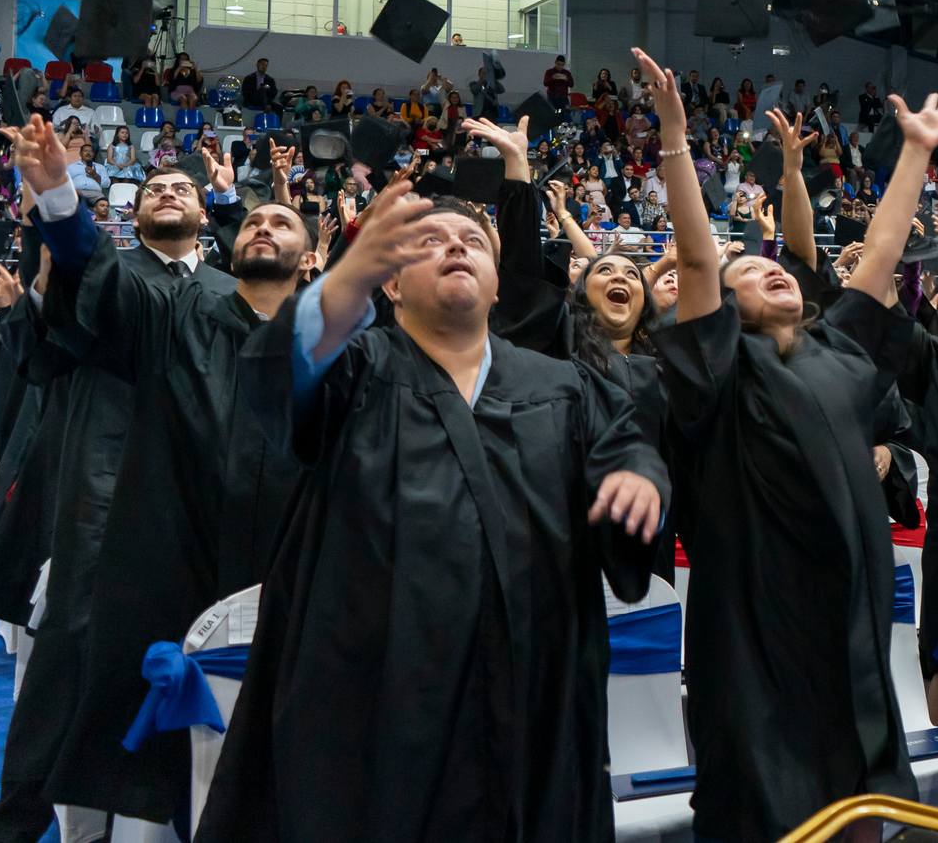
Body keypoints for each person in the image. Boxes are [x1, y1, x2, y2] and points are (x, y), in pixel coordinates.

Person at [198, 178, 668, 843]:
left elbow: (628, 451)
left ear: (498, 285)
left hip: (529, 699)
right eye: (431, 241)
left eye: (473, 240)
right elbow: (275, 382)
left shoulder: (561, 386)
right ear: (390, 284)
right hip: (373, 701)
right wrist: (349, 272)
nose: (455, 245)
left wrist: (639, 481)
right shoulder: (354, 368)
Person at [641, 47, 938, 840]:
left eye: (775, 266)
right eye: (751, 267)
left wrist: (915, 150)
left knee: (859, 814)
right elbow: (702, 256)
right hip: (753, 642)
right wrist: (676, 138)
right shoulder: (717, 370)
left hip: (849, 645)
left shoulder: (838, 355)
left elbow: (879, 260)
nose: (770, 269)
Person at [7, 116, 313, 826]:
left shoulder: (334, 347)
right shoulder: (171, 306)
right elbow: (92, 279)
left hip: (266, 560)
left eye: (185, 186)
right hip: (133, 526)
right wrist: (57, 195)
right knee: (95, 709)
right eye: (157, 186)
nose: (263, 231)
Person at [0, 155, 239, 843]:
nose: (168, 194)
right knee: (70, 668)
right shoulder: (107, 273)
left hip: (203, 506)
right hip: (106, 489)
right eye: (154, 188)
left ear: (203, 211)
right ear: (134, 212)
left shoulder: (228, 289)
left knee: (195, 665)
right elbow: (43, 359)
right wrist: (50, 246)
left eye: (183, 188)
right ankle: (20, 826)